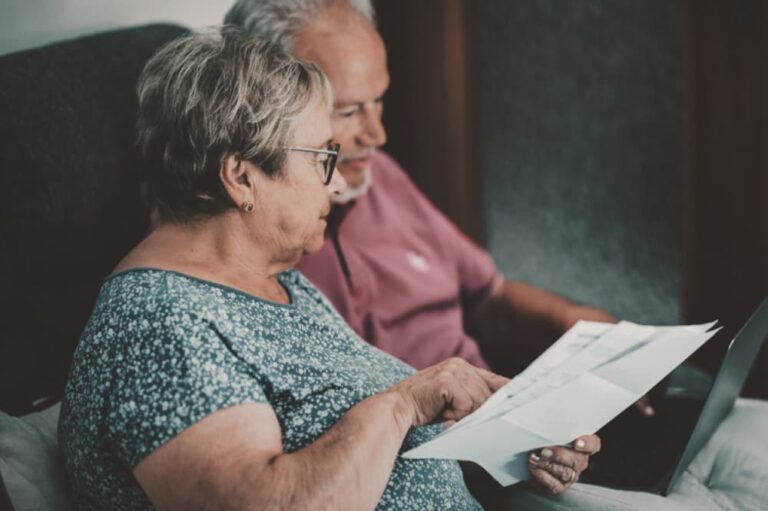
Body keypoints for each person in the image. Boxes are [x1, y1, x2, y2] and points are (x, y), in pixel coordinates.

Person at [58, 27, 599, 510]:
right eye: (322, 159)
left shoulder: (282, 284)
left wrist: (513, 440)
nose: (338, 185)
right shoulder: (159, 325)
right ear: (241, 178)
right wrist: (402, 403)